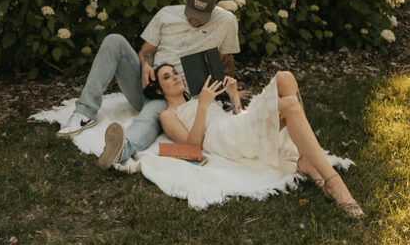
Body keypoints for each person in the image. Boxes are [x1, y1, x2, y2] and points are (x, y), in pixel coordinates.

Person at [56, 0, 240, 170]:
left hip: (171, 94)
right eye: (192, 15)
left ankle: (121, 148)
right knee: (114, 40)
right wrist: (145, 65)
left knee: (149, 116)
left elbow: (226, 61)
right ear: (185, 5)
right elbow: (147, 51)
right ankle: (85, 112)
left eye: (202, 18)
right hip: (148, 79)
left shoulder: (226, 21)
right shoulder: (166, 14)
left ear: (213, 11)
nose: (196, 21)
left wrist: (226, 94)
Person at [152, 63, 364, 218]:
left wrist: (234, 96)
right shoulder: (168, 114)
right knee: (289, 104)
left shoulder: (202, 96)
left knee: (285, 77)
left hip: (234, 127)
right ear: (159, 90)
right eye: (167, 77)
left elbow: (238, 118)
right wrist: (203, 106)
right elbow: (192, 147)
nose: (176, 77)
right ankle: (333, 182)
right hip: (219, 138)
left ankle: (307, 161)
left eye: (175, 73)